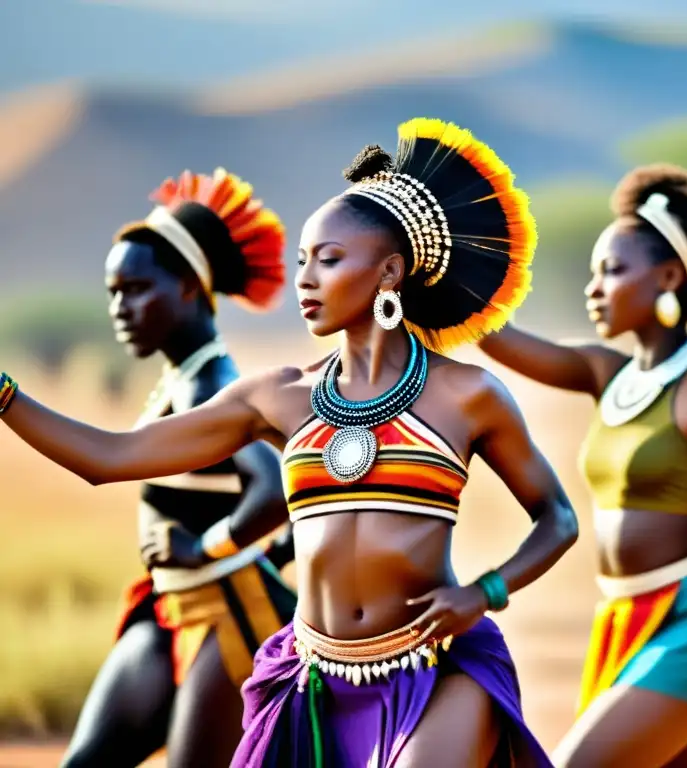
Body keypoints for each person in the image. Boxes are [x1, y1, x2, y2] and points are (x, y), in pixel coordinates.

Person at [1, 118, 578, 768]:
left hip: (438, 671)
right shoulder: (274, 396)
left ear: (390, 272)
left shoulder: (468, 396)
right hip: (310, 682)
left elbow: (556, 517)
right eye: (302, 260)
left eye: (328, 260)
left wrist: (485, 593)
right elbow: (107, 459)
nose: (306, 278)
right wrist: (4, 395)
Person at [478, 164, 687, 768]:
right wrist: (436, 259)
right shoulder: (602, 373)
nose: (594, 288)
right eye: (594, 273)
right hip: (624, 618)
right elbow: (492, 335)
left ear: (668, 276)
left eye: (612, 271)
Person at [55, 168, 297, 768]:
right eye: (113, 292)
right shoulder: (182, 378)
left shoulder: (213, 385)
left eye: (136, 288)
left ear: (190, 286)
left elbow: (276, 487)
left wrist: (207, 549)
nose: (120, 308)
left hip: (228, 619)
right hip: (169, 609)